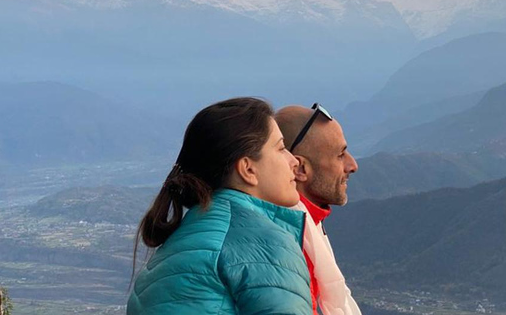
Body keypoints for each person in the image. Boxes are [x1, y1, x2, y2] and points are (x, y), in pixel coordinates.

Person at [128, 97, 312, 315]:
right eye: (281, 148)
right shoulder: (262, 243)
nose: (294, 161)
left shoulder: (181, 239)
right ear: (248, 169)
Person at [275, 103, 361, 315]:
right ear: (301, 168)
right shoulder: (289, 246)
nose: (352, 165)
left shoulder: (303, 226)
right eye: (340, 155)